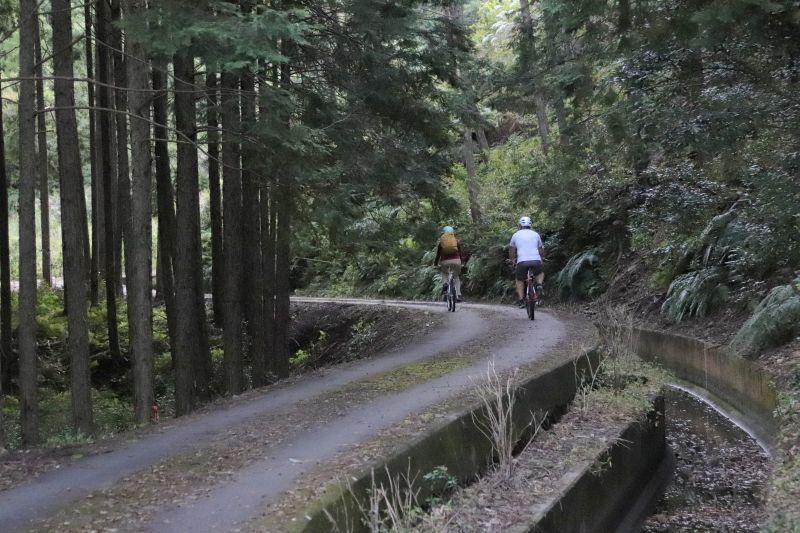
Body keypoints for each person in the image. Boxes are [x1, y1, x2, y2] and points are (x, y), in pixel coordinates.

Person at [509, 216, 544, 308]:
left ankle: (521, 301)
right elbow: (541, 248)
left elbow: (512, 250)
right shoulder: (536, 234)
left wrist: (512, 260)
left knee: (519, 280)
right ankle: (539, 284)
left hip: (522, 261)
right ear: (530, 225)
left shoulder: (515, 235)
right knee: (539, 273)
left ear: (520, 225)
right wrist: (541, 258)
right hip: (536, 260)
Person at [434, 226, 464, 302]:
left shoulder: (441, 242)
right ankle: (458, 295)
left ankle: (445, 284)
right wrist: (461, 262)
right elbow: (460, 253)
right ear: (452, 232)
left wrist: (435, 264)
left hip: (445, 262)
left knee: (444, 273)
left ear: (444, 233)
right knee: (456, 277)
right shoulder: (456, 241)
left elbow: (438, 255)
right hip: (456, 261)